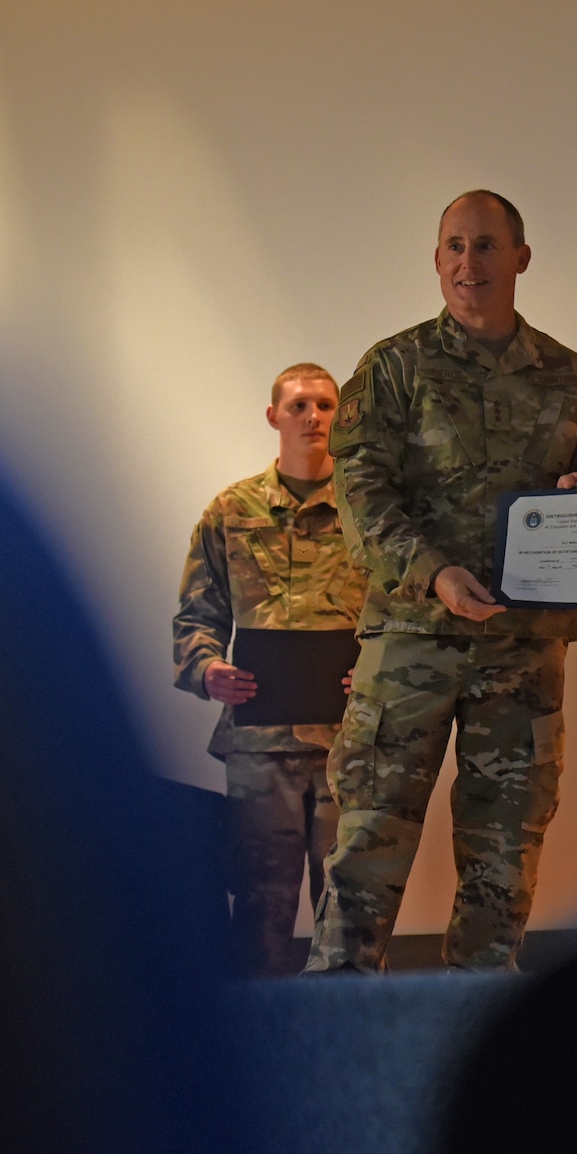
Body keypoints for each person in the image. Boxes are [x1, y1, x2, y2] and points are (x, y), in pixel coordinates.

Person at [304, 190, 577, 973]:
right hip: (412, 642)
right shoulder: (394, 366)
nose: (467, 262)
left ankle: (476, 1039)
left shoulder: (567, 375)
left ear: (520, 256)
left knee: (504, 858)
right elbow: (360, 495)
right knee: (367, 854)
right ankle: (333, 1041)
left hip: (523, 650)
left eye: (485, 246)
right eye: (453, 246)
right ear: (436, 258)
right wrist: (434, 572)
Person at [173, 362, 368, 976]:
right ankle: (259, 1049)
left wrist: (379, 674)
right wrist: (208, 671)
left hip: (351, 741)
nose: (314, 417)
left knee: (353, 906)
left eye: (327, 406)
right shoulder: (231, 510)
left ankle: (362, 1045)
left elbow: (407, 616)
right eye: (300, 405)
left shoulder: (371, 512)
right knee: (260, 907)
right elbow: (195, 617)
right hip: (259, 746)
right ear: (274, 416)